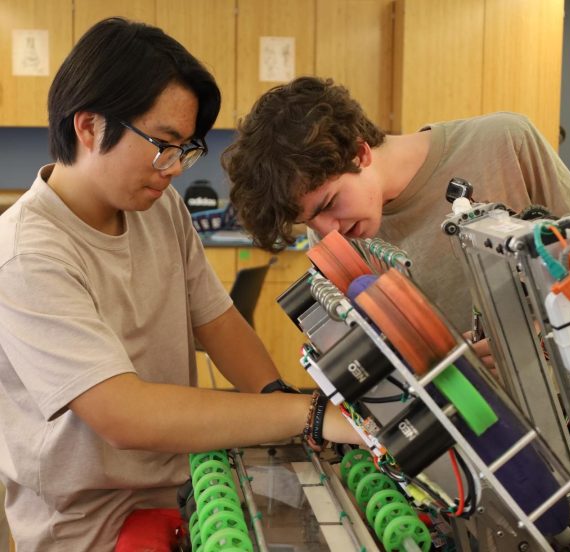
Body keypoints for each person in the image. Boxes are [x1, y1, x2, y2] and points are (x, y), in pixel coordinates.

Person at [0, 20, 360, 551]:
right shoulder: (26, 255)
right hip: (90, 527)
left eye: (185, 150)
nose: (172, 168)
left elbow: (216, 320)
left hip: (184, 484)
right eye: (161, 144)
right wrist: (307, 414)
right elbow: (125, 414)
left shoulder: (157, 206)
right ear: (89, 126)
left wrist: (281, 406)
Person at [223, 76, 570, 333]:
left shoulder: (503, 143)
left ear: (360, 152)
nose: (328, 231)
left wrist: (532, 339)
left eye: (329, 204)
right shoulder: (333, 234)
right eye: (310, 220)